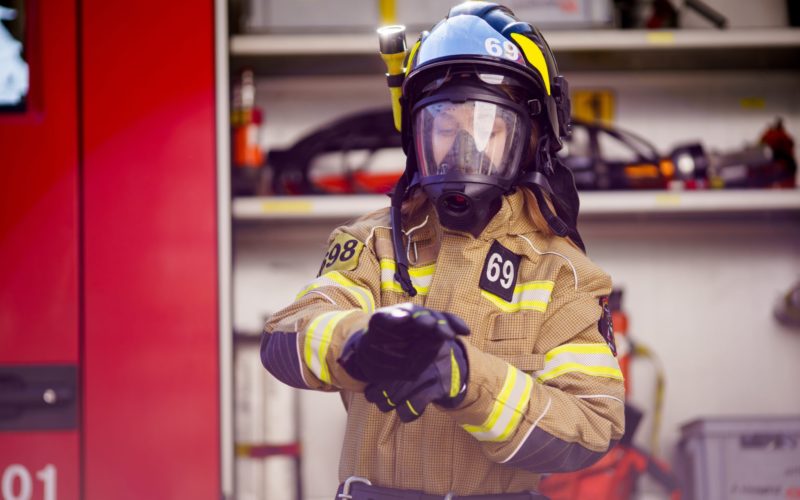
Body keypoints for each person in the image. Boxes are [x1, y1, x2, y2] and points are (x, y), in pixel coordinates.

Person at [261, 2, 625, 498]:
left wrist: (467, 379)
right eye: (444, 126)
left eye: (486, 127)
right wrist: (360, 342)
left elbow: (590, 424)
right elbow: (287, 333)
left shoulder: (563, 274)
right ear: (416, 135)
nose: (462, 147)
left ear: (532, 138)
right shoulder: (375, 242)